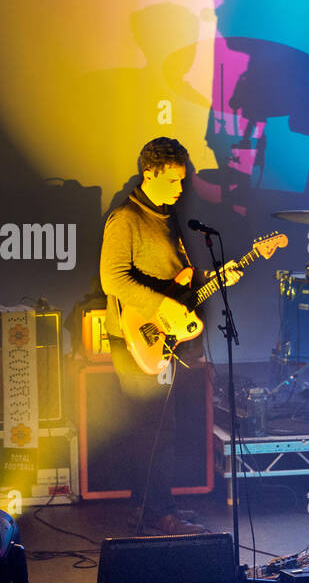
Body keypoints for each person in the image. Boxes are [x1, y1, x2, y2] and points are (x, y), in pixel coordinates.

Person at [99, 137, 240, 534]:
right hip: (137, 336)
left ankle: (154, 509)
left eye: (182, 180)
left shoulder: (166, 216)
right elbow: (113, 279)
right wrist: (162, 307)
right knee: (152, 430)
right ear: (149, 174)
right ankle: (157, 514)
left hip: (161, 335)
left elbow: (176, 280)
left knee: (161, 428)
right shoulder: (126, 218)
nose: (181, 188)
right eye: (173, 180)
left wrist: (214, 278)